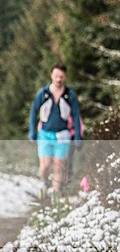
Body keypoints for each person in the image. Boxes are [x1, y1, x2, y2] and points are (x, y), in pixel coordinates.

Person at [29, 62, 82, 198]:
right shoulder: (43, 93)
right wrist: (32, 132)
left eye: (62, 77)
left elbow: (76, 116)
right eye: (57, 76)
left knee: (59, 166)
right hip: (45, 134)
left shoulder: (69, 95)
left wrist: (77, 136)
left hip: (62, 135)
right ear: (51, 75)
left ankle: (55, 193)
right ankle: (44, 183)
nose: (59, 79)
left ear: (65, 77)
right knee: (45, 165)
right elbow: (34, 112)